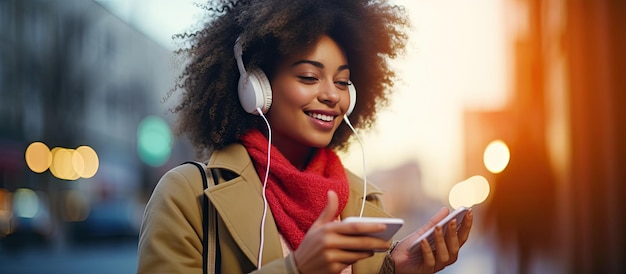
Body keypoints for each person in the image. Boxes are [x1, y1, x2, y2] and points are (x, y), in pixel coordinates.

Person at [137, 0, 473, 273]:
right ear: (255, 87)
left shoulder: (363, 200)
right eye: (310, 77)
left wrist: (394, 271)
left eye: (342, 82)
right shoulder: (187, 195)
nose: (332, 95)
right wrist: (297, 269)